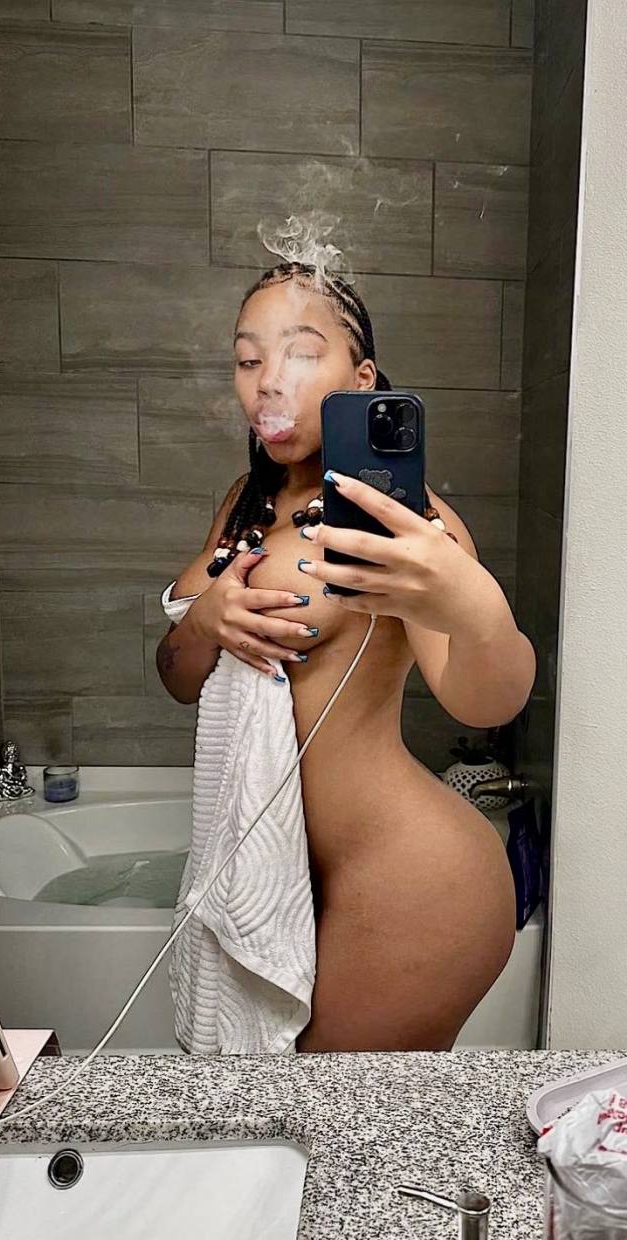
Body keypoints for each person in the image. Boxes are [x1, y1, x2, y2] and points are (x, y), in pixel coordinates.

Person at [157, 261, 536, 1051]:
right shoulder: (243, 504)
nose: (269, 381)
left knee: (323, 1120)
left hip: (411, 881)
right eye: (249, 358)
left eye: (300, 353)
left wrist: (471, 603)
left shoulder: (407, 523)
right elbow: (177, 677)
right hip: (293, 877)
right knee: (294, 1118)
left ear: (360, 381)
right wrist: (209, 619)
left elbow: (486, 700)